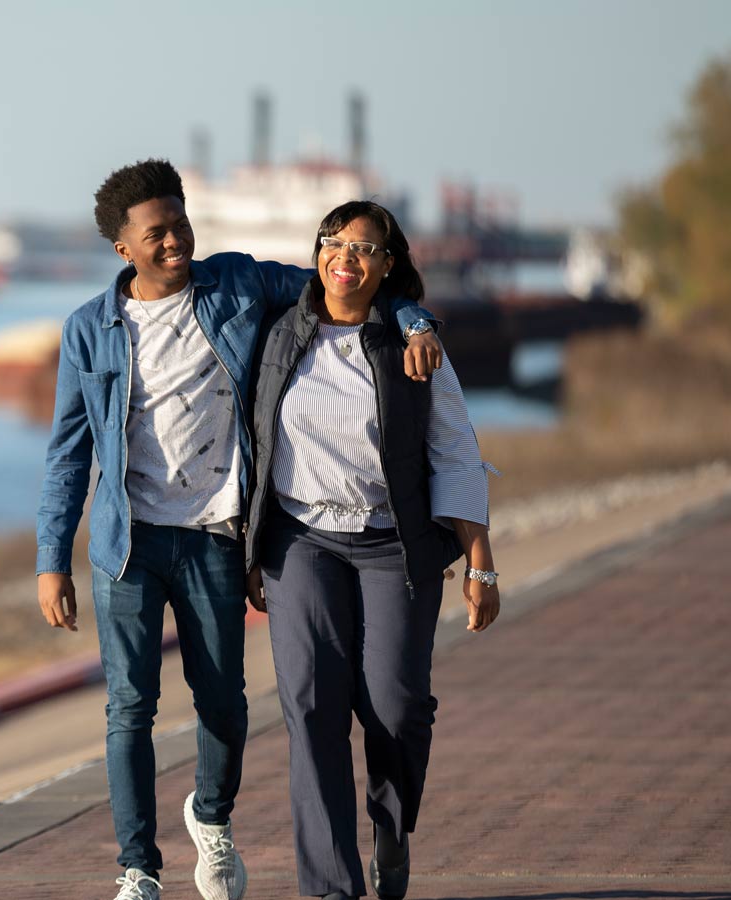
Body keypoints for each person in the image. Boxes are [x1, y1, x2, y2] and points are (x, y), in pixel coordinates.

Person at [35, 161, 443, 900]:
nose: (175, 243)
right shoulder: (89, 330)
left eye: (180, 225)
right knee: (130, 705)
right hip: (127, 544)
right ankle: (137, 869)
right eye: (156, 234)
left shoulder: (237, 285)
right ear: (123, 247)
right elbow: (68, 453)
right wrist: (50, 559)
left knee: (223, 704)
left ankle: (212, 822)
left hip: (216, 535)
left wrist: (414, 317)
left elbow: (340, 287)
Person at [245, 200, 500, 900]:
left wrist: (480, 563)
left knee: (397, 706)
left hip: (395, 544)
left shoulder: (412, 347)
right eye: (333, 242)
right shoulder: (278, 335)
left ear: (388, 266)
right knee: (312, 707)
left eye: (364, 248)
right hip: (301, 542)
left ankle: (391, 824)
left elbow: (456, 454)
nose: (344, 258)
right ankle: (332, 888)